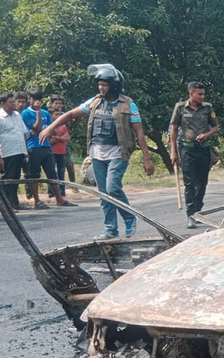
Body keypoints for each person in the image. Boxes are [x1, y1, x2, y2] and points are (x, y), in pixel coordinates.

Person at [40, 64, 155, 239]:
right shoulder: (94, 102)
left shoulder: (128, 105)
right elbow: (71, 114)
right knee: (103, 193)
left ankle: (129, 217)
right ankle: (110, 229)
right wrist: (51, 127)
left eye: (105, 84)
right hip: (97, 153)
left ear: (114, 85)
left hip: (118, 153)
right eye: (99, 84)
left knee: (112, 187)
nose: (101, 87)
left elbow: (139, 132)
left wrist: (147, 158)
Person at [170, 81, 220, 229]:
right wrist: (173, 151)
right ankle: (191, 215)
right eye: (199, 94)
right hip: (187, 150)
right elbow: (173, 130)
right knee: (189, 183)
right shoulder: (180, 108)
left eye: (203, 94)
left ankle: (198, 209)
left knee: (202, 183)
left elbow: (216, 127)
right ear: (191, 93)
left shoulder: (208, 108)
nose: (202, 97)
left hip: (203, 150)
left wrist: (207, 135)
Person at [22, 89, 73, 209]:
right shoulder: (26, 113)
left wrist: (40, 130)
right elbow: (37, 127)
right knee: (34, 174)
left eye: (39, 99)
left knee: (52, 173)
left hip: (46, 146)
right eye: (34, 99)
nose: (36, 102)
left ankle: (59, 199)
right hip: (33, 147)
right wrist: (38, 113)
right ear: (30, 99)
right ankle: (37, 200)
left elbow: (52, 130)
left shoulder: (46, 113)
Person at [0, 92, 29, 210]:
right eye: (10, 102)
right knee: (7, 179)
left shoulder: (17, 115)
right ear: (2, 104)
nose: (13, 104)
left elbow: (24, 133)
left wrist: (26, 151)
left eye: (13, 102)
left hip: (20, 151)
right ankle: (6, 206)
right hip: (7, 153)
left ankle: (14, 203)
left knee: (16, 179)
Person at [49, 109, 71, 198]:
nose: (58, 116)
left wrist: (55, 137)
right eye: (56, 114)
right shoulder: (50, 127)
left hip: (62, 152)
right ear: (51, 115)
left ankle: (62, 192)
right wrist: (61, 138)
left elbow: (67, 139)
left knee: (61, 172)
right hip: (52, 152)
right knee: (52, 173)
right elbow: (50, 141)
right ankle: (51, 192)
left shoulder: (63, 126)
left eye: (59, 114)